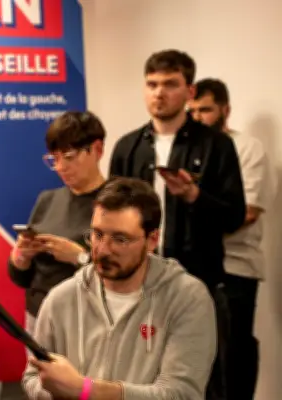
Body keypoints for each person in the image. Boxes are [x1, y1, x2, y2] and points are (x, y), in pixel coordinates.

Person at [108, 50, 244, 399]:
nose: (159, 93)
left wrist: (195, 196)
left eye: (170, 84)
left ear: (189, 91)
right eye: (152, 84)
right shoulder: (128, 147)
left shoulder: (217, 145)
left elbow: (235, 215)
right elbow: (111, 219)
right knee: (139, 376)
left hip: (199, 282)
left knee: (205, 381)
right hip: (140, 285)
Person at [22, 177, 217, 400]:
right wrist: (55, 390)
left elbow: (181, 394)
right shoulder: (62, 298)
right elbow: (33, 377)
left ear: (152, 240)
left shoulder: (187, 298)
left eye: (120, 239)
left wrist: (85, 390)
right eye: (97, 234)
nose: (103, 250)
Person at [189, 78, 276, 399]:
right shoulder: (187, 149)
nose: (198, 118)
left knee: (233, 353)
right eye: (192, 111)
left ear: (225, 110)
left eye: (205, 110)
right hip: (192, 266)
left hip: (234, 268)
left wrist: (193, 231)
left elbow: (247, 212)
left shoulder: (247, 148)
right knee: (197, 356)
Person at [8, 111, 107, 335]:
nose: (61, 167)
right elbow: (21, 277)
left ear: (97, 150)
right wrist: (21, 257)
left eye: (69, 157)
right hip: (38, 317)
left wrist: (80, 258)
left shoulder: (117, 202)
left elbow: (130, 273)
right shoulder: (47, 200)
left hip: (87, 320)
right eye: (54, 159)